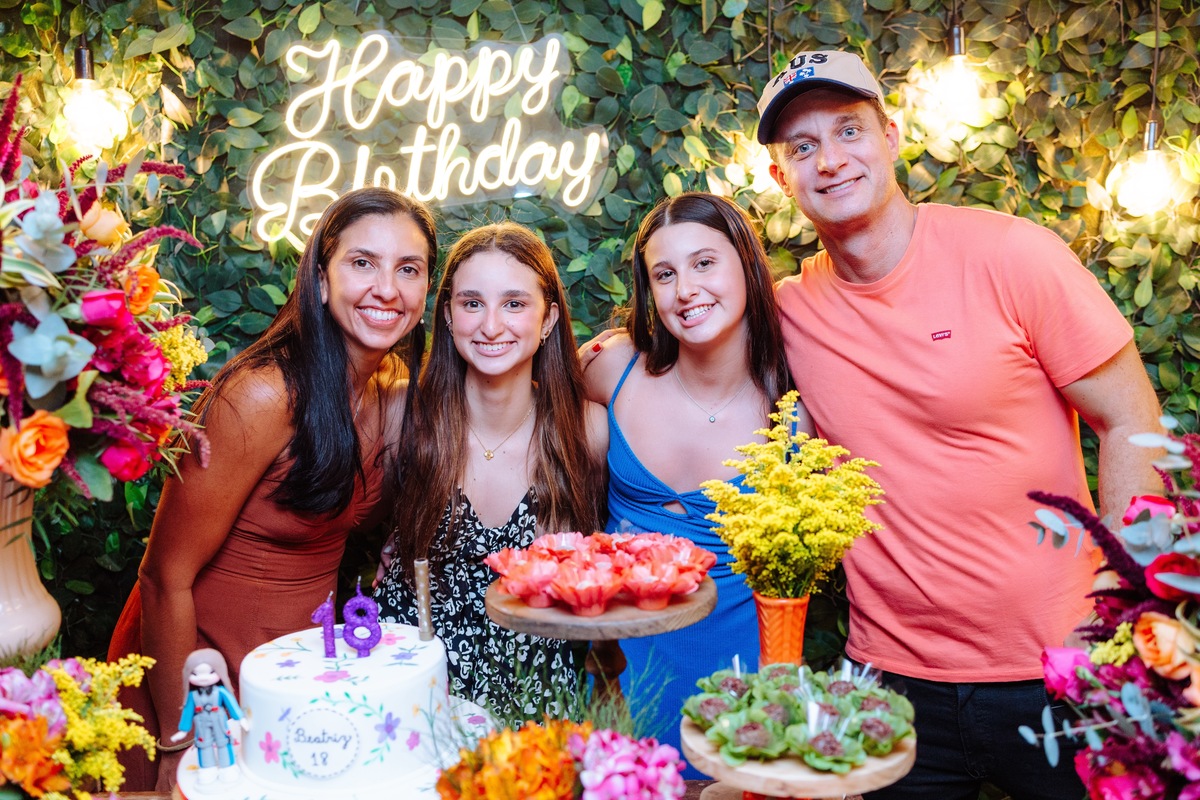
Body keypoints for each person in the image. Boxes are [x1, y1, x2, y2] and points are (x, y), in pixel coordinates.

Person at [758, 50, 1165, 798]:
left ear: (892, 134)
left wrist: (1125, 610)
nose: (830, 160)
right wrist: (606, 347)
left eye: (849, 131)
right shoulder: (790, 312)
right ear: (782, 178)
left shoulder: (1013, 256)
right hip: (889, 682)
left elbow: (1132, 416)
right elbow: (687, 339)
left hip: (1061, 670)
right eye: (803, 147)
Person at [107, 187, 436, 791]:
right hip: (198, 678)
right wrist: (183, 738)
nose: (387, 288)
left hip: (295, 681)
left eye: (408, 269)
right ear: (319, 278)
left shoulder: (390, 389)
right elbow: (163, 576)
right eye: (362, 263)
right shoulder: (261, 394)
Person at [581, 192, 803, 776]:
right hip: (618, 679)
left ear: (747, 267)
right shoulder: (613, 367)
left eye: (704, 263)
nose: (685, 290)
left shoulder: (798, 400)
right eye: (665, 273)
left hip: (742, 688)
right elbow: (523, 416)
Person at [375, 221, 607, 718]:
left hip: (540, 701)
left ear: (548, 319)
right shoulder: (402, 415)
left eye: (515, 304)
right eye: (472, 302)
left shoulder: (586, 430)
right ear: (448, 315)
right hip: (417, 694)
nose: (491, 325)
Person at [170, 649, 248, 785]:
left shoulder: (221, 692)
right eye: (195, 674)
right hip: (201, 722)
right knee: (203, 744)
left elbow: (232, 705)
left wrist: (240, 719)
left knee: (223, 742)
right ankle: (207, 768)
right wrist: (183, 730)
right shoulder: (193, 696)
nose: (203, 678)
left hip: (219, 720)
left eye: (211, 672)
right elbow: (188, 712)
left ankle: (227, 767)